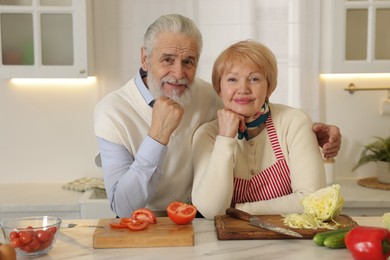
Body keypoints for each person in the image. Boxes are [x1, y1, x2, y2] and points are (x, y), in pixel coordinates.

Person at [94, 14, 341, 218]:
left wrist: (308, 134)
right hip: (145, 221)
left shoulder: (205, 94)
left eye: (188, 61)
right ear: (145, 58)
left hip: (195, 219)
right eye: (167, 59)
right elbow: (123, 207)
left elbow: (250, 108)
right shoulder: (112, 112)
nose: (178, 73)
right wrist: (158, 135)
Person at [191, 40, 327, 220]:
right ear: (219, 89)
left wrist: (239, 210)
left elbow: (312, 199)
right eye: (232, 79)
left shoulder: (294, 122)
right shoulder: (207, 135)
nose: (243, 89)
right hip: (225, 244)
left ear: (269, 87)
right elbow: (210, 210)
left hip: (289, 242)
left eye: (254, 79)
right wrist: (225, 139)